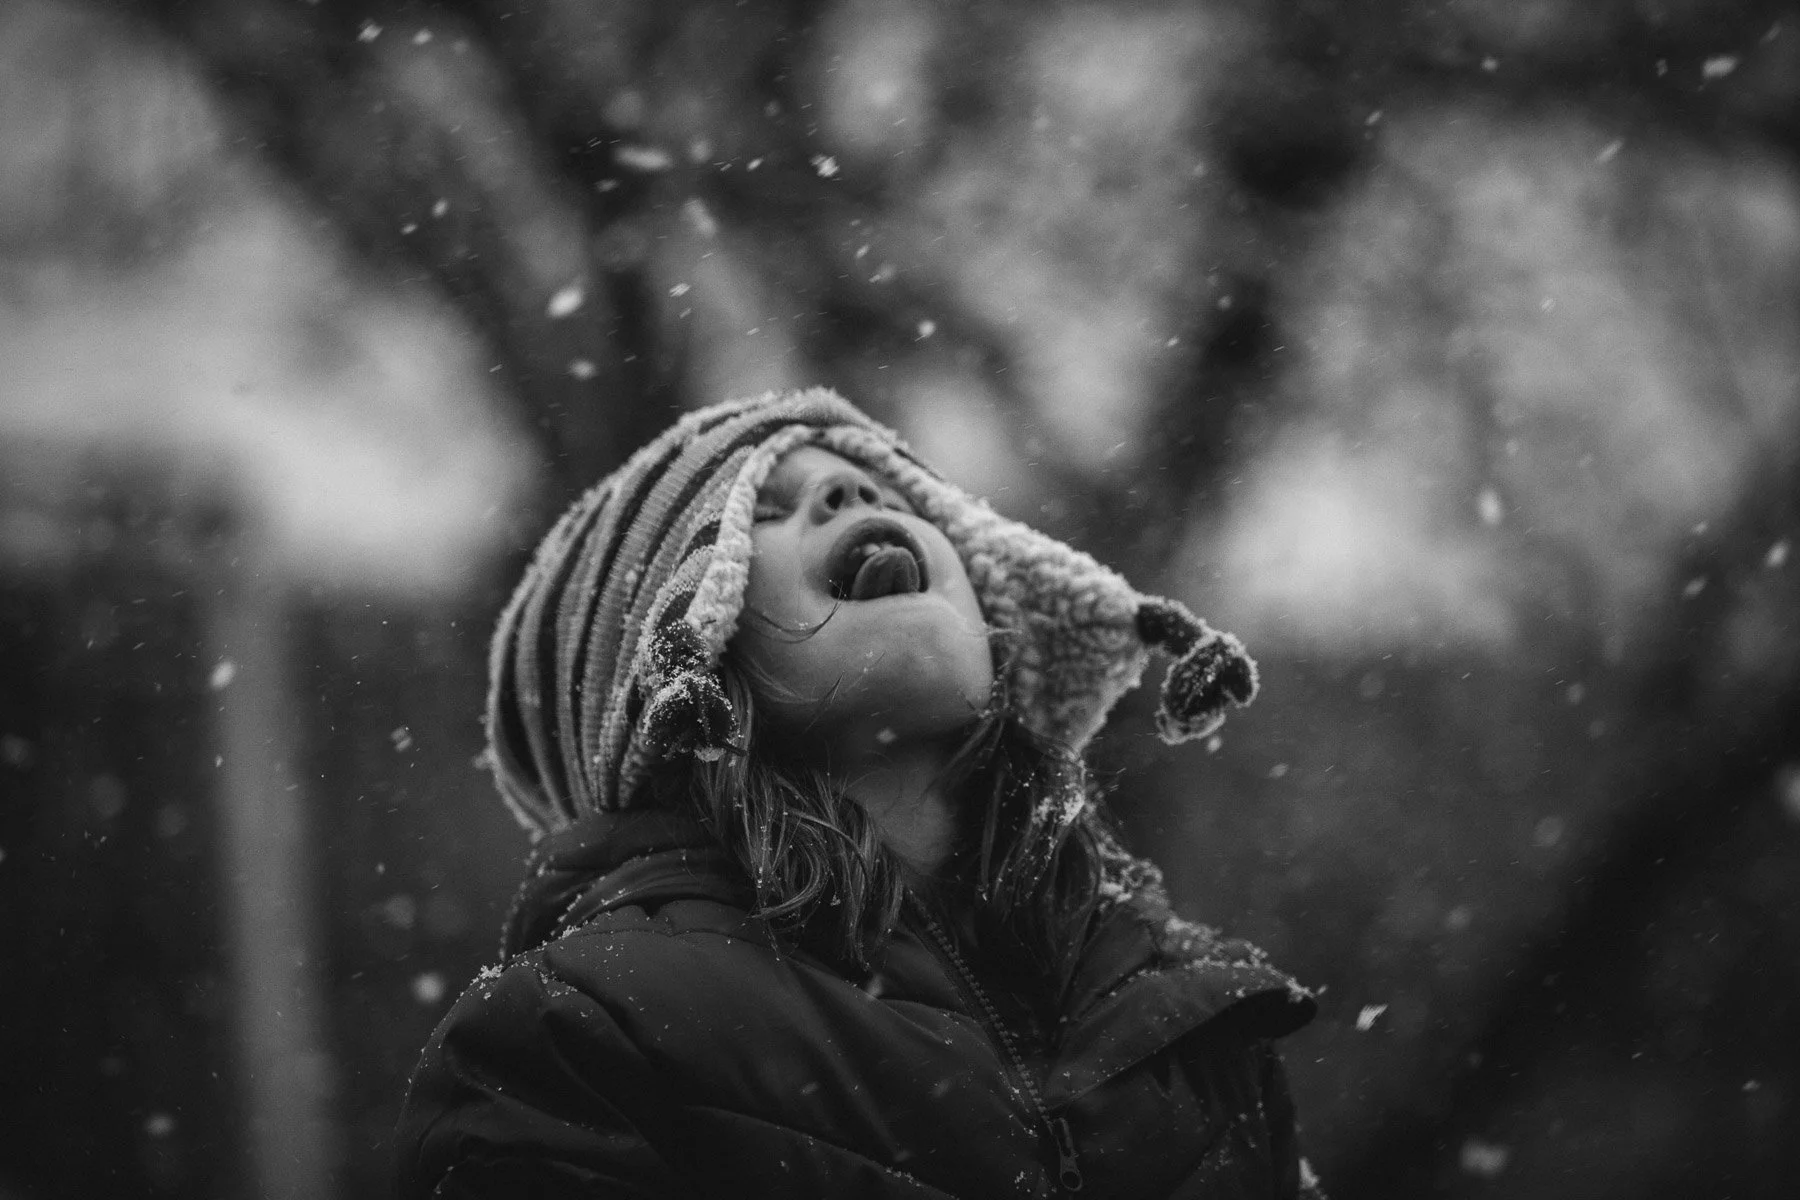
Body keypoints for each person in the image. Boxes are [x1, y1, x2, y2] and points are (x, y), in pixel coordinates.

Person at [396, 388, 1323, 1198]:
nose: (850, 491)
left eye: (872, 485)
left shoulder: (1198, 1034)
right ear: (672, 654)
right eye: (761, 508)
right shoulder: (576, 1044)